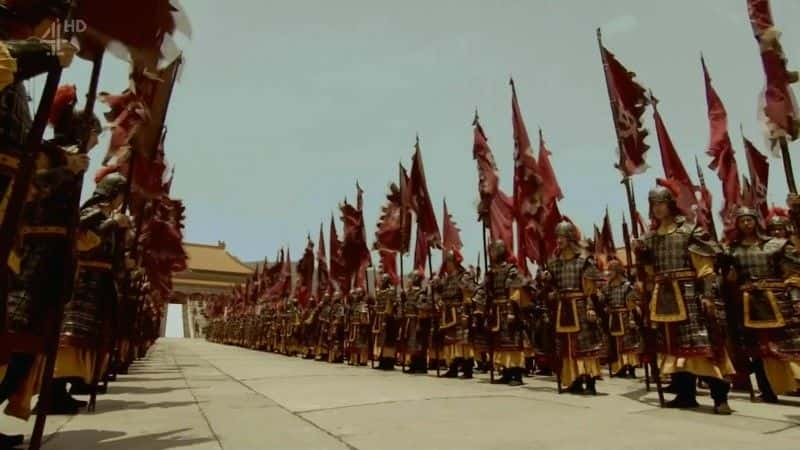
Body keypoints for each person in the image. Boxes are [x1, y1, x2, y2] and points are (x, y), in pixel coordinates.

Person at [634, 185, 734, 414]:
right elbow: (649, 273)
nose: (658, 208)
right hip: (662, 297)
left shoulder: (689, 231)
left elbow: (706, 268)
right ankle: (685, 395)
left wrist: (708, 295)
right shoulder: (649, 239)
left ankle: (720, 396)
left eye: (661, 203)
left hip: (688, 294)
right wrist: (641, 254)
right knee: (673, 348)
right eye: (654, 204)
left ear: (670, 204)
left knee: (700, 345)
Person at [722, 206, 800, 402]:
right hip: (748, 304)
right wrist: (729, 277)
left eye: (749, 220)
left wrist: (794, 297)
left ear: (756, 221)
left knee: (788, 345)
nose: (746, 224)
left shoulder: (777, 245)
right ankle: (767, 390)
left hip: (777, 301)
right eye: (742, 221)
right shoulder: (733, 250)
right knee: (756, 349)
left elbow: (791, 273)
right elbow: (728, 279)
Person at [545, 222, 603, 394]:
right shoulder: (554, 264)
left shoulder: (584, 261)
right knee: (566, 347)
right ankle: (574, 381)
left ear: (570, 238)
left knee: (585, 346)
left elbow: (591, 289)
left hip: (580, 306)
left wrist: (591, 307)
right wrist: (549, 288)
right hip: (563, 309)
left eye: (561, 236)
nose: (558, 240)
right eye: (557, 237)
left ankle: (590, 382)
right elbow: (552, 288)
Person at [473, 240, 526, 385]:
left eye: (493, 251)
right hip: (495, 310)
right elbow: (482, 289)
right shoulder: (491, 272)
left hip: (508, 309)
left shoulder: (511, 270)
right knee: (499, 343)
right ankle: (506, 373)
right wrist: (479, 305)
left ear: (500, 251)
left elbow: (514, 291)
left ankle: (516, 374)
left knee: (511, 342)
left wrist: (511, 311)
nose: (490, 254)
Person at [597, 256, 642, 378]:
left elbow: (634, 303)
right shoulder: (607, 287)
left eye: (611, 271)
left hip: (625, 316)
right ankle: (620, 368)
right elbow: (602, 301)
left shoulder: (627, 286)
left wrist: (632, 317)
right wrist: (598, 295)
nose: (608, 273)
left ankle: (631, 368)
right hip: (613, 317)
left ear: (617, 271)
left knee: (628, 343)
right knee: (615, 344)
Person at [436, 251, 476, 379]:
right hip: (447, 313)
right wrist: (437, 288)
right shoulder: (447, 278)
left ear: (453, 262)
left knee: (462, 341)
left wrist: (465, 312)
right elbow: (442, 294)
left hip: (459, 311)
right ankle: (452, 368)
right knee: (450, 342)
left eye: (447, 261)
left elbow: (471, 291)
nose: (446, 265)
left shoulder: (464, 275)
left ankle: (467, 369)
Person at [372, 274, 399, 370]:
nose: (381, 281)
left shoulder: (391, 291)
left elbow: (394, 303)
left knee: (388, 341)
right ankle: (382, 360)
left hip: (388, 318)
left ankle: (389, 362)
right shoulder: (379, 292)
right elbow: (377, 304)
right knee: (380, 341)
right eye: (381, 279)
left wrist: (388, 313)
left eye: (383, 279)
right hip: (379, 317)